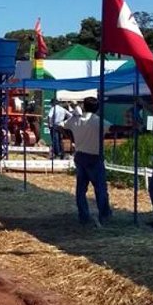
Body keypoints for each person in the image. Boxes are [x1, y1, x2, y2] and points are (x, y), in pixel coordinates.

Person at [60, 96, 112, 225]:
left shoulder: (75, 120)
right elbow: (113, 128)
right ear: (97, 108)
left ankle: (84, 216)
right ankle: (104, 214)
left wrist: (70, 137)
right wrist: (131, 127)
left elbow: (60, 126)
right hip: (94, 157)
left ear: (84, 106)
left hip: (80, 156)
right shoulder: (98, 121)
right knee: (100, 188)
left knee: (81, 189)